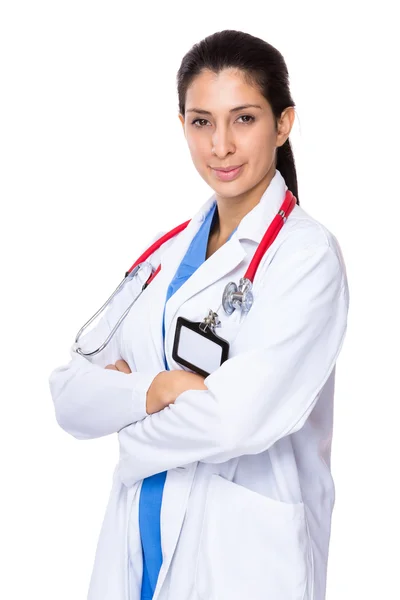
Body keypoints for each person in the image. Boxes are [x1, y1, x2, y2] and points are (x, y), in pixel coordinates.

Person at [49, 29, 349, 600]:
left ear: (283, 124)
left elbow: (238, 421)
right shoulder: (164, 257)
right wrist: (160, 388)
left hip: (242, 559)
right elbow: (68, 395)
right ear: (183, 125)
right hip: (140, 539)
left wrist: (128, 430)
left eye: (243, 119)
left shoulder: (306, 258)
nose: (220, 146)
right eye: (201, 121)